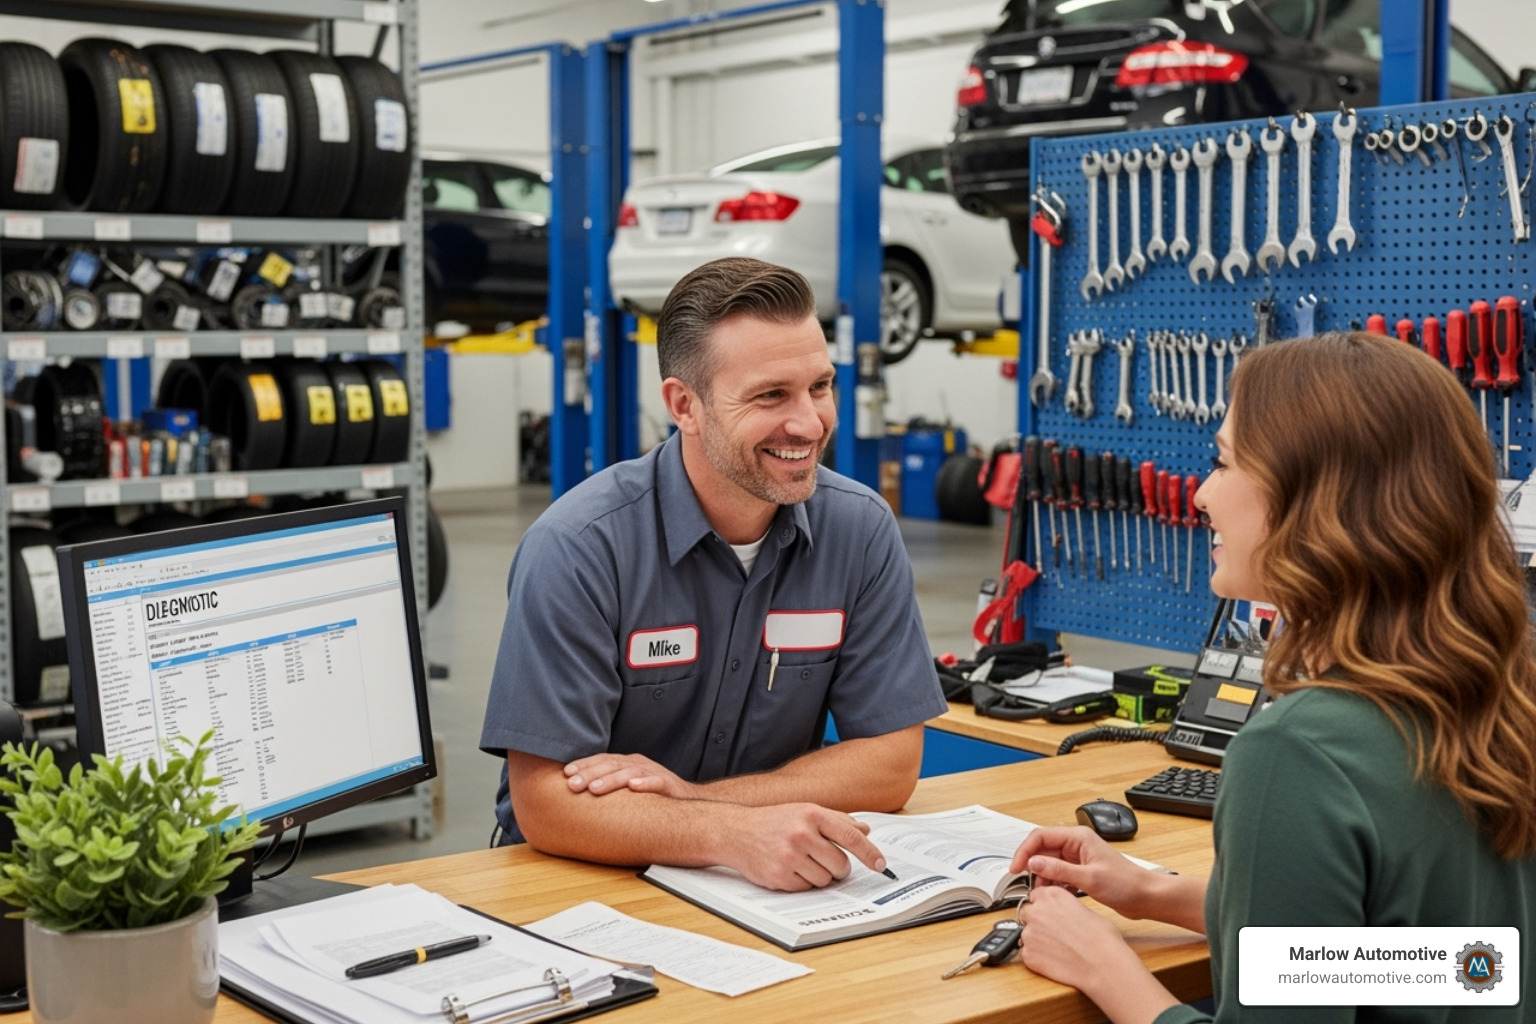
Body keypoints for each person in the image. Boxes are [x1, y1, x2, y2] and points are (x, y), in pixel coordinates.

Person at [1009, 333, 1536, 1024]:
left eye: (1224, 464)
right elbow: (1450, 961)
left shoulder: (1299, 753)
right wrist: (1151, 891)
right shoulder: (1496, 694)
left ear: (1315, 500)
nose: (1200, 496)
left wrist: (1104, 969)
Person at [479, 257, 948, 891]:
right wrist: (723, 833)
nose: (809, 423)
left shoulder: (859, 531)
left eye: (819, 386)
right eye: (770, 395)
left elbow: (891, 763)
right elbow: (546, 804)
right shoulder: (579, 548)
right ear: (685, 405)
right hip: (580, 884)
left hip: (767, 877)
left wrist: (698, 803)